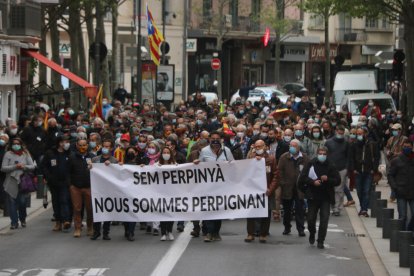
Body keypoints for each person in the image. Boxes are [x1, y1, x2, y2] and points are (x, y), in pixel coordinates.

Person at [194, 131, 234, 242]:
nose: (215, 140)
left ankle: (216, 232)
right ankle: (209, 233)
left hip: (222, 187)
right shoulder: (204, 151)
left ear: (221, 139)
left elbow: (234, 165)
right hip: (207, 187)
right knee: (208, 209)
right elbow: (199, 165)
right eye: (213, 138)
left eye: (217, 138)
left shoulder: (227, 151)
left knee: (218, 210)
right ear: (209, 140)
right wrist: (197, 162)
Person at [298, 146, 340, 249]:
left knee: (324, 219)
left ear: (327, 155)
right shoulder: (311, 163)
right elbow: (303, 177)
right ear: (317, 154)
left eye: (324, 154)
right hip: (313, 196)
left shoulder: (331, 165)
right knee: (310, 219)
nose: (322, 156)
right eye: (320, 153)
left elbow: (337, 180)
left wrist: (328, 179)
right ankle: (312, 233)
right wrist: (313, 182)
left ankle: (320, 240)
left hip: (326, 197)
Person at [244, 139, 277, 243]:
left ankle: (263, 234)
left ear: (265, 147)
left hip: (266, 191)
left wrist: (270, 189)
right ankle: (250, 233)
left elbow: (275, 176)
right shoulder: (250, 157)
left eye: (260, 146)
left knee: (266, 213)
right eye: (256, 147)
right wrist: (254, 160)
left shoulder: (271, 159)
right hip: (252, 190)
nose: (258, 148)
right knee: (251, 212)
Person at [1, 138, 36, 229]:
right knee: (12, 203)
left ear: (21, 145)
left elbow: (32, 166)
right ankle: (14, 222)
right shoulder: (8, 154)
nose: (16, 145)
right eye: (14, 144)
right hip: (11, 181)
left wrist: (24, 166)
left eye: (18, 144)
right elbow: (3, 168)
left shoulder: (25, 154)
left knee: (22, 202)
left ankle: (23, 219)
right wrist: (15, 166)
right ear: (11, 145)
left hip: (23, 182)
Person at [277, 139, 309, 237]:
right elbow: (280, 172)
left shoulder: (304, 157)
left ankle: (301, 229)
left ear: (299, 147)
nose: (292, 147)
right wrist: (283, 183)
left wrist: (305, 184)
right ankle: (287, 227)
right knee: (287, 210)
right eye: (291, 145)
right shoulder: (284, 157)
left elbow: (308, 171)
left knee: (300, 210)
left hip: (299, 188)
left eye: (294, 146)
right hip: (287, 187)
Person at [41, 135, 72, 232]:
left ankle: (66, 220)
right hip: (53, 182)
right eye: (64, 142)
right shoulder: (50, 153)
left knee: (64, 200)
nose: (66, 144)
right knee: (56, 202)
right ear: (59, 143)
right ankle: (58, 222)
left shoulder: (70, 154)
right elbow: (44, 166)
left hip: (65, 182)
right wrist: (48, 177)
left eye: (67, 142)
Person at [91, 139, 118, 241]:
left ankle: (106, 233)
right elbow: (89, 172)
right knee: (97, 210)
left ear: (111, 148)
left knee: (107, 210)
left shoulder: (114, 160)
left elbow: (117, 174)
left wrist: (112, 165)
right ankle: (96, 232)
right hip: (97, 189)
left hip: (108, 189)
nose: (105, 148)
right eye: (104, 146)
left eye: (107, 147)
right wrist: (89, 167)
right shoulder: (95, 160)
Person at [349, 127, 380, 217]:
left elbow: (377, 157)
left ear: (365, 134)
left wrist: (373, 169)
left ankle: (364, 209)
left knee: (366, 191)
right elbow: (351, 158)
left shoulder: (372, 144)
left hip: (368, 172)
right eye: (357, 134)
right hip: (358, 172)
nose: (359, 136)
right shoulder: (354, 145)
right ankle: (362, 208)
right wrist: (353, 169)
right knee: (359, 191)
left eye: (360, 134)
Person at [69, 138, 95, 237]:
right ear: (77, 146)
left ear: (87, 146)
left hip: (89, 187)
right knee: (77, 208)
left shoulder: (92, 157)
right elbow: (68, 172)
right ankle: (77, 228)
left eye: (84, 145)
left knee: (90, 209)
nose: (82, 147)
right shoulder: (72, 157)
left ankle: (90, 227)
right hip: (76, 187)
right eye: (80, 145)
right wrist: (70, 185)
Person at [388, 139, 414, 230]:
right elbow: (390, 175)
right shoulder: (396, 160)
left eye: (409, 147)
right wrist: (395, 187)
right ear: (402, 147)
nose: (407, 148)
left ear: (412, 148)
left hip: (412, 191)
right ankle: (402, 236)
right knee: (402, 216)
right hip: (401, 191)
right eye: (405, 147)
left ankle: (409, 233)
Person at [325, 125, 350, 216]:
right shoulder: (328, 142)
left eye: (342, 133)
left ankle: (337, 208)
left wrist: (347, 168)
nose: (340, 134)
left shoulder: (346, 143)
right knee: (330, 189)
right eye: (339, 132)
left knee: (339, 189)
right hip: (330, 169)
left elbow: (348, 156)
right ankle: (331, 206)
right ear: (336, 131)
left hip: (342, 169)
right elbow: (325, 155)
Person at [157, 146, 177, 241]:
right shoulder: (157, 164)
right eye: (164, 152)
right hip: (160, 193)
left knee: (171, 213)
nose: (166, 154)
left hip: (172, 193)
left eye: (167, 152)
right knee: (163, 213)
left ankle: (170, 231)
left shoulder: (175, 164)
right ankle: (163, 233)